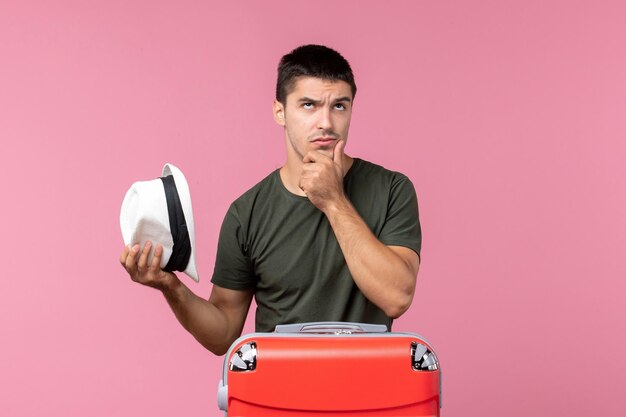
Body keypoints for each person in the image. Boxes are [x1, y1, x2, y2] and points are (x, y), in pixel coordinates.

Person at [120, 44, 421, 356]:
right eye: (308, 105)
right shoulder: (247, 212)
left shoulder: (392, 190)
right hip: (276, 394)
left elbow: (396, 297)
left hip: (370, 392)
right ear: (280, 112)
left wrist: (334, 201)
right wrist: (172, 288)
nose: (327, 123)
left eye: (339, 106)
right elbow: (223, 333)